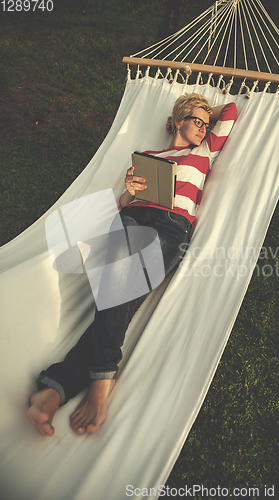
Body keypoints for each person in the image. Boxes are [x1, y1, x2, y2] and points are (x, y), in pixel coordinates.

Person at [27, 93, 237, 437]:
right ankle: (97, 380)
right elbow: (125, 202)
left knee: (116, 303)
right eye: (195, 121)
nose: (202, 126)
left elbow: (230, 111)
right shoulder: (150, 156)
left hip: (172, 226)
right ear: (179, 122)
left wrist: (201, 109)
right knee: (117, 292)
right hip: (133, 217)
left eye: (205, 122)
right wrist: (128, 190)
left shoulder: (204, 151)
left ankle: (54, 389)